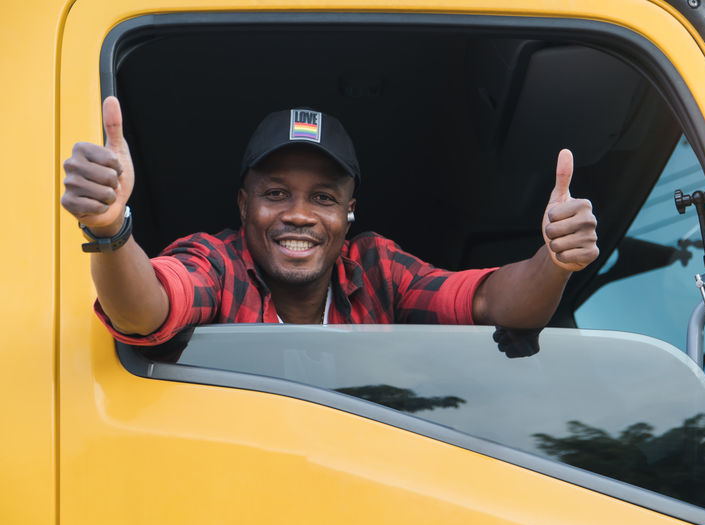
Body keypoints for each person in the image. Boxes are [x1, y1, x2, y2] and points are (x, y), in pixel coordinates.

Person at [61, 97, 599, 345]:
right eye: (275, 194)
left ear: (349, 213)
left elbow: (487, 303)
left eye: (322, 197)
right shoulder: (219, 262)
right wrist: (111, 230)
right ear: (244, 205)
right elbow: (147, 310)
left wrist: (554, 261)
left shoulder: (378, 269)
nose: (298, 214)